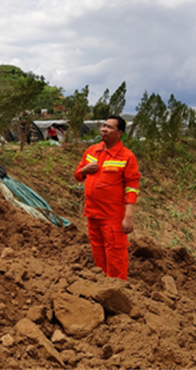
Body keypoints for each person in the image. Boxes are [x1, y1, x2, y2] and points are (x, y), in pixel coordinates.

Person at [73, 115, 141, 281]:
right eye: (104, 126)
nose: (104, 129)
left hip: (112, 218)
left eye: (109, 127)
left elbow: (132, 188)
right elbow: (78, 175)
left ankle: (117, 288)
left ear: (119, 133)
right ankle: (102, 285)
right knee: (98, 253)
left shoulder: (126, 157)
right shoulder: (92, 151)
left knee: (115, 254)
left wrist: (128, 217)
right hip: (92, 214)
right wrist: (85, 170)